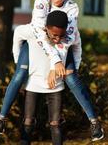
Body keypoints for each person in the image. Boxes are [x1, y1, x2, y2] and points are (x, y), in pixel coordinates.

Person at [0, 0, 104, 142]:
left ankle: (94, 123)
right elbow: (41, 37)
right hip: (37, 40)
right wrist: (50, 63)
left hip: (63, 45)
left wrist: (67, 67)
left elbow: (69, 41)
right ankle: (1, 119)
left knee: (71, 78)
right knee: (20, 75)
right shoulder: (40, 3)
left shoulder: (72, 8)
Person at [19, 11, 70, 145]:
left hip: (56, 86)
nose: (58, 39)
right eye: (54, 35)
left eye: (61, 35)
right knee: (28, 121)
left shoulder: (66, 40)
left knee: (55, 123)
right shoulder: (34, 34)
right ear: (46, 28)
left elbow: (71, 56)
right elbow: (18, 32)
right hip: (33, 84)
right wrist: (17, 61)